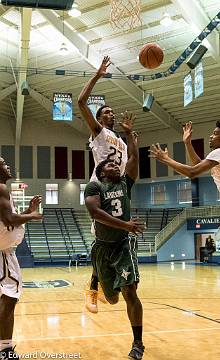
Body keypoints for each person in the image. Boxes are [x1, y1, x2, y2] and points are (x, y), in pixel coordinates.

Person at [84, 124, 145, 359]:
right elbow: (96, 213)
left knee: (130, 291)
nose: (115, 165)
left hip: (123, 245)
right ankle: (99, 285)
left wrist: (130, 135)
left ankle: (138, 343)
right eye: (110, 164)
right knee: (112, 298)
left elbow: (134, 159)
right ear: (101, 172)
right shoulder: (95, 186)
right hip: (102, 247)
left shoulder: (124, 184)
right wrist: (126, 224)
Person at [78, 56, 133, 312]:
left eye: (111, 111)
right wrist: (98, 75)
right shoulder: (99, 133)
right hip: (100, 188)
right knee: (101, 239)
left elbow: (132, 159)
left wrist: (131, 134)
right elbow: (80, 102)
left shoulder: (119, 140)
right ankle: (91, 287)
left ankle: (102, 284)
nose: (110, 113)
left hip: (118, 190)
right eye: (105, 112)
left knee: (115, 238)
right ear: (99, 119)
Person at [150, 120, 220, 272]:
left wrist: (166, 159)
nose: (211, 136)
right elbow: (197, 164)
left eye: (215, 134)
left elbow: (192, 172)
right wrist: (187, 143)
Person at [0, 157, 42, 360]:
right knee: (9, 299)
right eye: (2, 163)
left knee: (7, 299)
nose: (7, 165)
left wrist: (27, 211)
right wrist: (32, 216)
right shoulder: (0, 188)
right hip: (3, 254)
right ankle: (5, 350)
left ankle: (5, 348)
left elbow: (8, 220)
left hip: (4, 252)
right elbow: (9, 220)